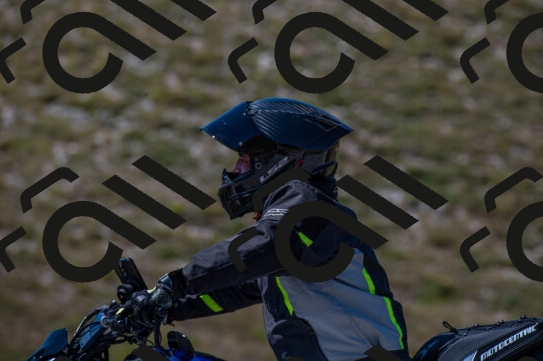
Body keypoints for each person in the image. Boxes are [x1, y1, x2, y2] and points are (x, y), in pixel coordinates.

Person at [130, 98, 410, 361]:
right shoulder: (302, 233)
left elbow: (263, 247)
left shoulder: (309, 211)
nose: (234, 171)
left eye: (244, 160)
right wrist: (166, 308)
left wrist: (174, 283)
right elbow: (239, 287)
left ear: (280, 162)